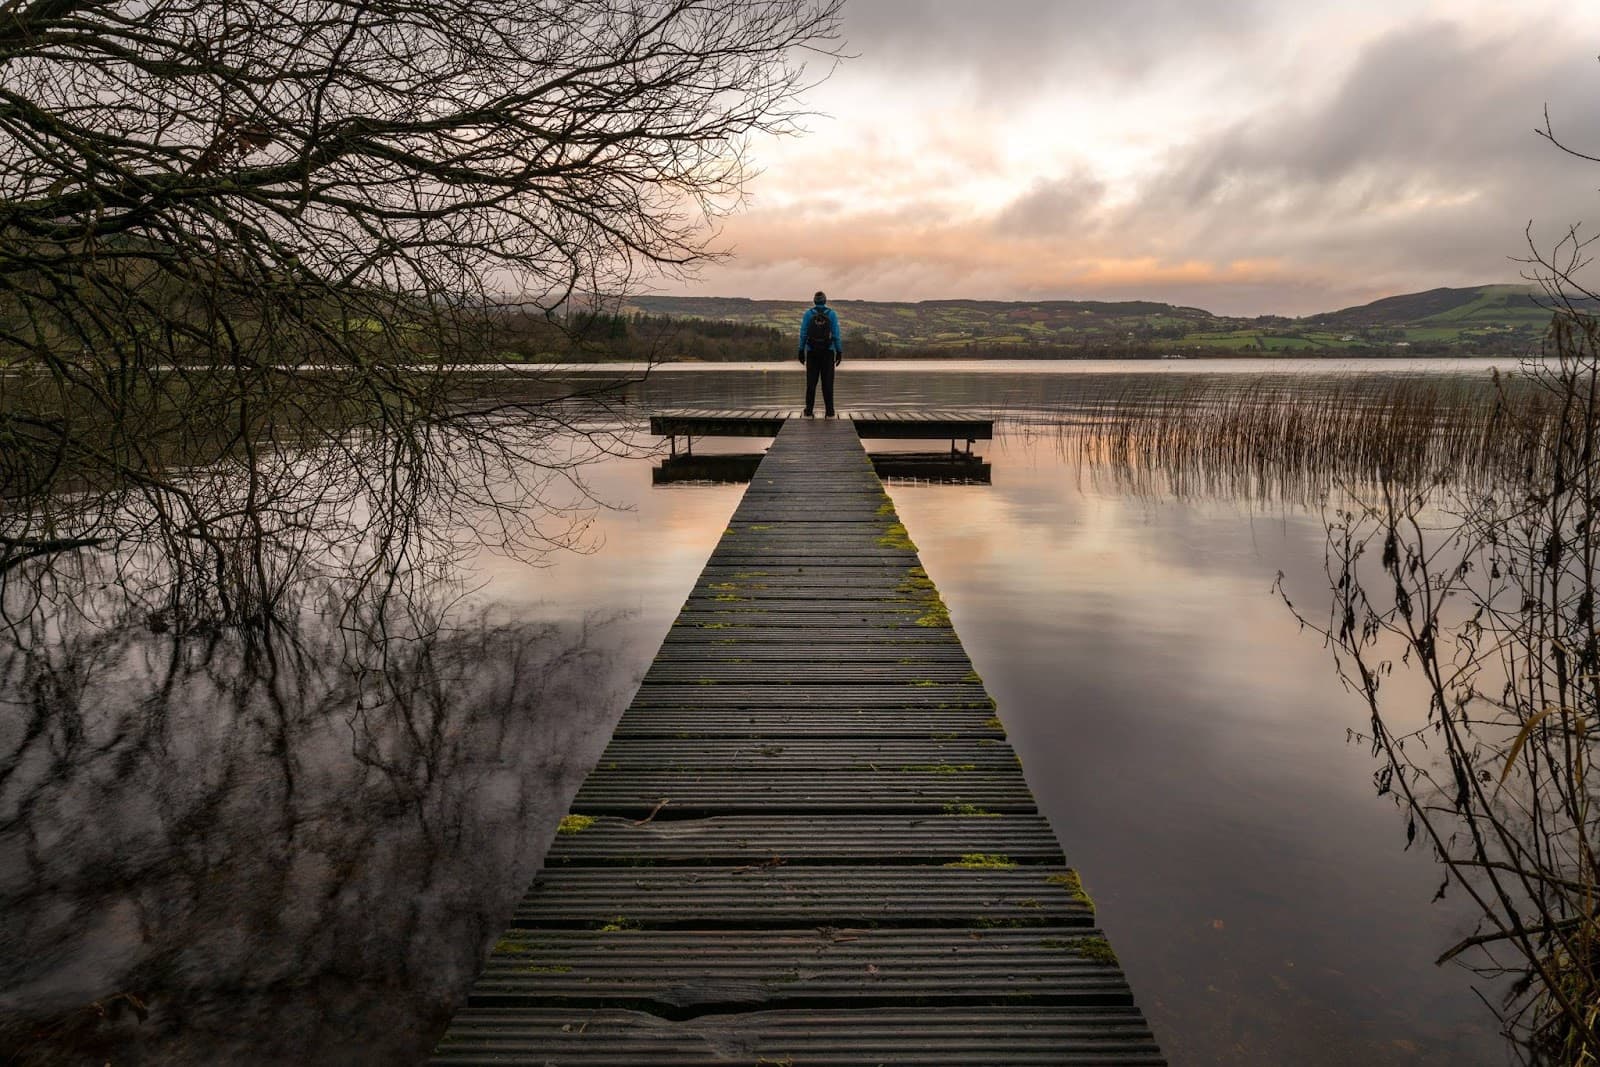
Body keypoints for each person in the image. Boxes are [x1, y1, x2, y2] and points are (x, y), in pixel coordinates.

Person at [797, 290, 842, 417]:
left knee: (811, 383)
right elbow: (836, 334)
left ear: (814, 301)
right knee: (827, 383)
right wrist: (839, 351)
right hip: (828, 352)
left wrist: (801, 350)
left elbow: (803, 334)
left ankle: (809, 410)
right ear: (825, 301)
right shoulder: (832, 314)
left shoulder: (808, 314)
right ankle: (830, 411)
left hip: (812, 352)